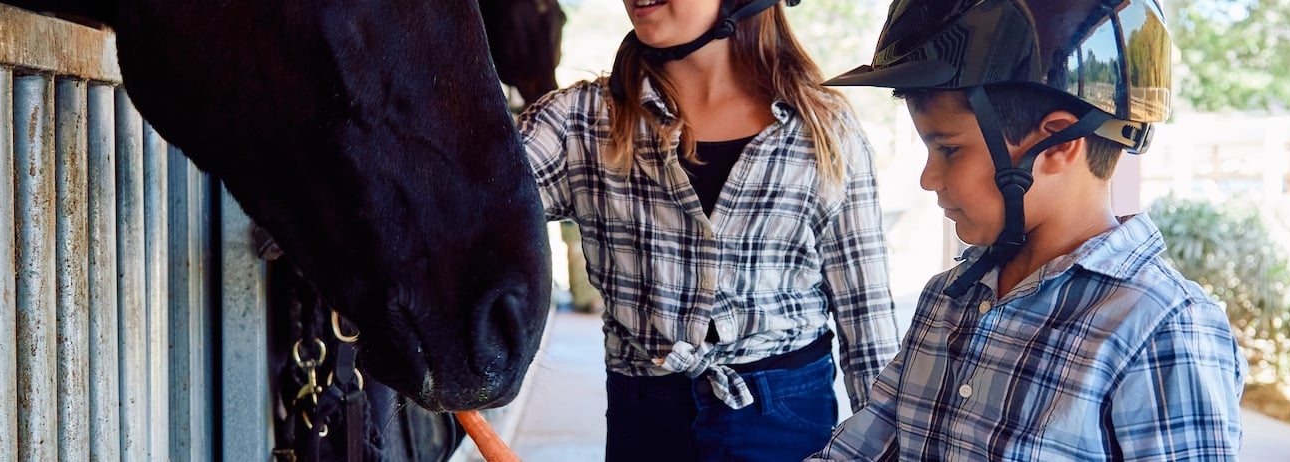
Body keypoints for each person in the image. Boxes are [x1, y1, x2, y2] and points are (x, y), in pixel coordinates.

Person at [809, 0, 1247, 460]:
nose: (928, 178)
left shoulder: (1161, 328)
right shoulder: (948, 298)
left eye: (949, 149)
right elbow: (864, 448)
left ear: (1056, 145)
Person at [515, 0, 900, 460]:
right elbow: (467, 206)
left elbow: (865, 313)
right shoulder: (577, 121)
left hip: (785, 412)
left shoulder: (823, 129)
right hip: (646, 412)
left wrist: (885, 449)